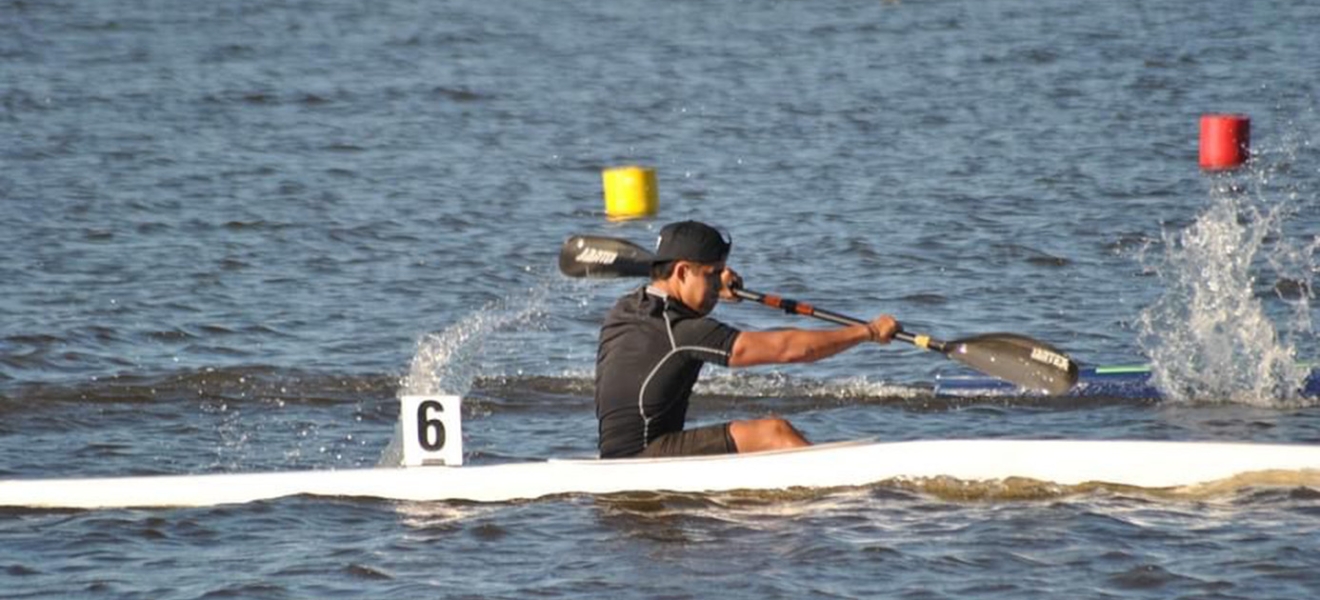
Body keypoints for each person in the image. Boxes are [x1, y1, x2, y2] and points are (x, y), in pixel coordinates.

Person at [594, 220, 900, 459]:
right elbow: (788, 350)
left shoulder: (627, 308)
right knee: (773, 433)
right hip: (645, 457)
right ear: (684, 271)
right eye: (713, 274)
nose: (719, 282)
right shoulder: (683, 330)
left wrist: (711, 287)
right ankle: (844, 497)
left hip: (621, 453)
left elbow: (676, 306)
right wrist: (867, 332)